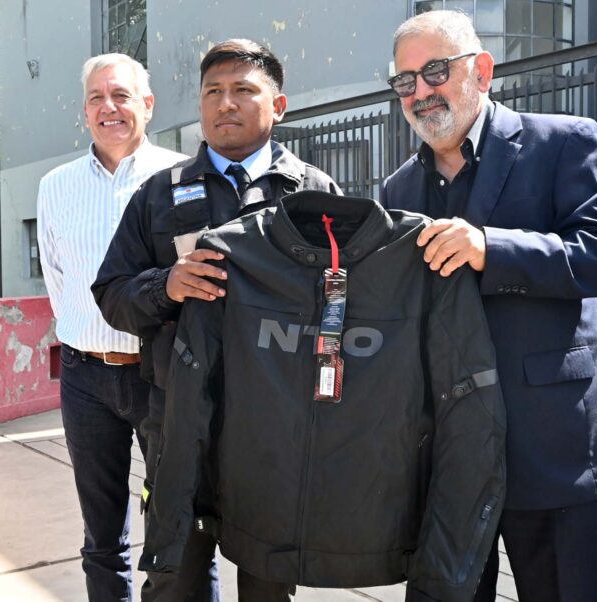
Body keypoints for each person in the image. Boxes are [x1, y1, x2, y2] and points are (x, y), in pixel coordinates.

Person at [381, 11, 597, 601]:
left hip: (552, 442)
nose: (421, 92)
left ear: (482, 70)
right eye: (405, 81)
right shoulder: (399, 190)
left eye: (435, 71)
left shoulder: (564, 141)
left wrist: (491, 248)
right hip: (448, 454)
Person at [93, 39, 340, 601]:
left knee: (269, 586)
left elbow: (343, 309)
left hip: (278, 428)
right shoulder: (158, 195)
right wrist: (166, 285)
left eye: (243, 90)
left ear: (278, 106)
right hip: (178, 422)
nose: (225, 104)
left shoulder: (313, 193)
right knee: (173, 579)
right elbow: (111, 294)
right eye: (213, 92)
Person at [35, 53, 188, 601]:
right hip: (85, 378)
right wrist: (85, 335)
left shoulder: (181, 178)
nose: (109, 107)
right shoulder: (55, 186)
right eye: (96, 98)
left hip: (163, 375)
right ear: (84, 112)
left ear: (147, 105)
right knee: (101, 535)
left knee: (180, 528)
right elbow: (57, 277)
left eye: (121, 95)